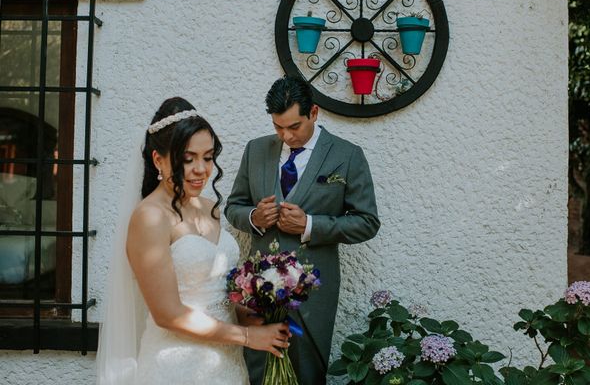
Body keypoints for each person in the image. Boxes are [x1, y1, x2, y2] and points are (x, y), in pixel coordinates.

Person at [96, 97, 290, 385]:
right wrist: (248, 337)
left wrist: (242, 312)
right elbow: (168, 314)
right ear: (158, 160)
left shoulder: (208, 206)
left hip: (225, 363)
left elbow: (205, 290)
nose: (201, 169)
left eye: (208, 157)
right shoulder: (150, 217)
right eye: (188, 159)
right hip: (176, 366)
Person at [225, 77, 380, 384]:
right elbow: (233, 207)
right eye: (277, 127)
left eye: (294, 126)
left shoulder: (347, 156)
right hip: (257, 288)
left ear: (314, 113)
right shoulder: (255, 150)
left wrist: (309, 225)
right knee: (258, 369)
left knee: (307, 371)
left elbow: (367, 222)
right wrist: (255, 216)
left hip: (313, 293)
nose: (286, 135)